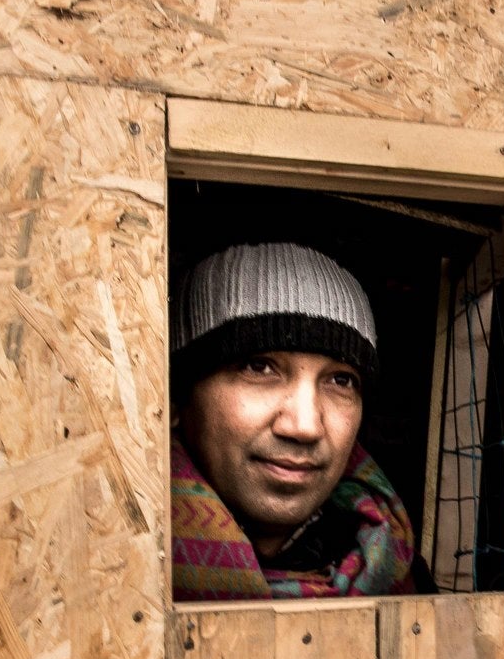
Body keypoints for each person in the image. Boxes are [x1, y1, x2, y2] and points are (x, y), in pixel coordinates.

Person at [169, 242, 417, 600]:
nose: (305, 427)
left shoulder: (403, 576)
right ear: (176, 398)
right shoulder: (120, 580)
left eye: (341, 380)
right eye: (260, 367)